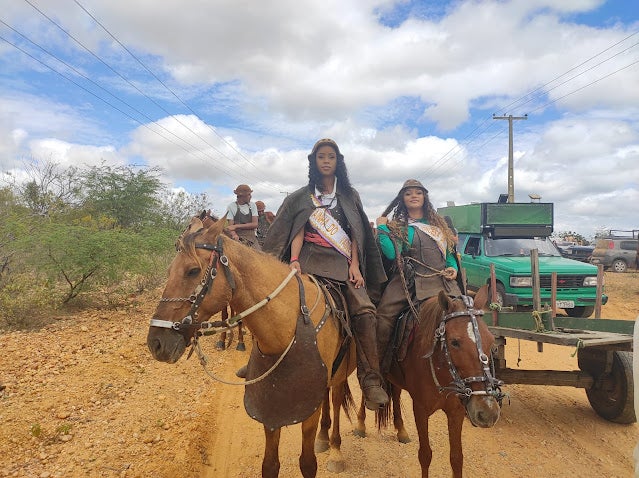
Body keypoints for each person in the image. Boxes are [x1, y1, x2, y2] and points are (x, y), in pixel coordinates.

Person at [263, 138, 389, 410]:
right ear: (314, 162)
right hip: (307, 261)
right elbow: (296, 231)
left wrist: (355, 265)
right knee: (271, 304)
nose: (326, 160)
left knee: (366, 313)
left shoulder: (350, 196)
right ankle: (260, 364)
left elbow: (356, 234)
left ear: (338, 161)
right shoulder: (300, 197)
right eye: (321, 156)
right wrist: (293, 261)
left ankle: (370, 381)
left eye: (331, 156)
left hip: (342, 264)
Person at [375, 179, 463, 373]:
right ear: (402, 199)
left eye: (418, 192)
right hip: (409, 282)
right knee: (383, 318)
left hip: (443, 282)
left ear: (424, 197)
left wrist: (452, 268)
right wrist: (382, 228)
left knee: (469, 316)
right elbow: (392, 254)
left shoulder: (439, 226)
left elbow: (449, 254)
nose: (413, 196)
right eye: (408, 193)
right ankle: (377, 371)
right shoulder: (399, 226)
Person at [225, 184, 260, 250]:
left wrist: (236, 226)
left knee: (259, 254)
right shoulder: (231, 206)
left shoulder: (252, 205)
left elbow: (255, 224)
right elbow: (230, 227)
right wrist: (234, 235)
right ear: (241, 196)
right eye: (248, 194)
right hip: (238, 237)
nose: (250, 196)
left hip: (252, 238)